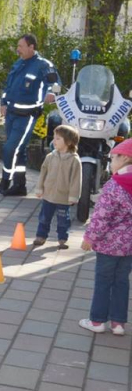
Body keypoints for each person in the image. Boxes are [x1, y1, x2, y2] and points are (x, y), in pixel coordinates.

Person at [79, 139, 132, 335]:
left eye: (113, 158)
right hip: (129, 247)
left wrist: (89, 237)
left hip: (109, 246)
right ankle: (118, 323)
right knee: (121, 281)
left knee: (103, 281)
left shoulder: (114, 186)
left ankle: (97, 321)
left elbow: (102, 216)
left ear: (125, 158)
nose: (110, 163)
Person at [0, 34, 59, 196]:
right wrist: (3, 103)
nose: (18, 50)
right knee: (19, 149)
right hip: (11, 114)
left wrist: (51, 93)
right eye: (18, 46)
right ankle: (20, 185)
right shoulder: (18, 64)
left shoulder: (43, 65)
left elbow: (54, 83)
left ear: (31, 47)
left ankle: (6, 179)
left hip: (27, 115)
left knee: (10, 148)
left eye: (21, 46)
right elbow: (8, 87)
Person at [33, 125, 82, 248]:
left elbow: (76, 179)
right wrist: (39, 188)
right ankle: (41, 236)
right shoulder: (50, 157)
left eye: (58, 139)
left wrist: (73, 196)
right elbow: (43, 173)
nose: (54, 141)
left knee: (63, 220)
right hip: (48, 195)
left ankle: (62, 238)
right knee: (44, 217)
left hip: (63, 197)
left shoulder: (74, 160)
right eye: (54, 138)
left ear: (69, 142)